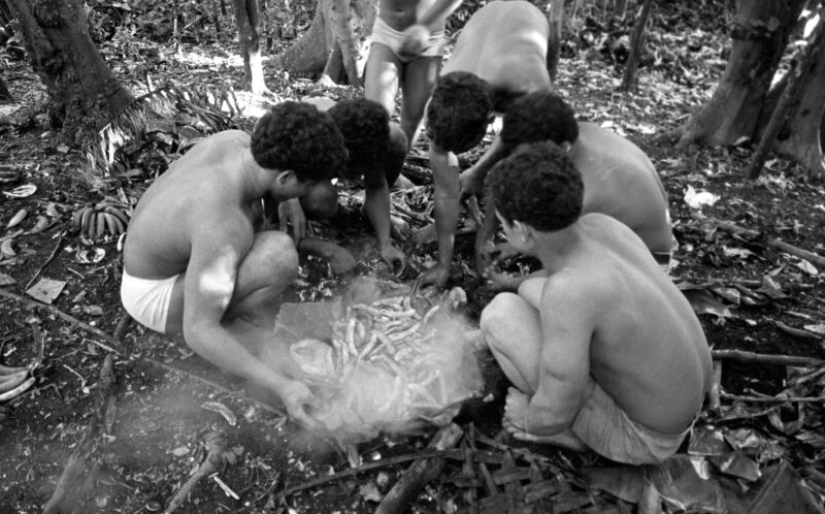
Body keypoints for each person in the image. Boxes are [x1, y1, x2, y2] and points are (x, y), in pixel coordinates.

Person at [478, 141, 712, 464]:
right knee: (530, 289)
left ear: (521, 230)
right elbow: (554, 280)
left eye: (503, 225)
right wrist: (521, 285)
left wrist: (530, 420)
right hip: (687, 397)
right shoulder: (603, 226)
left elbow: (558, 402)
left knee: (500, 316)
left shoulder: (569, 293)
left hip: (647, 439)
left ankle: (572, 437)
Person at [121, 101, 349, 428]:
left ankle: (223, 309)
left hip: (153, 257)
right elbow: (198, 330)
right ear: (286, 176)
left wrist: (289, 199)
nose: (308, 193)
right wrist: (282, 386)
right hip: (152, 295)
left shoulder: (234, 140)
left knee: (268, 237)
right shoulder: (226, 224)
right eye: (307, 185)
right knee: (278, 255)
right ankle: (232, 331)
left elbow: (267, 190)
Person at [418, 0, 557, 287]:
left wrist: (485, 235)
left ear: (488, 122)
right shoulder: (441, 101)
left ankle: (490, 232)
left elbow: (515, 156)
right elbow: (445, 191)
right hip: (487, 25)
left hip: (532, 23)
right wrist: (444, 264)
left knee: (530, 146)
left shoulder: (531, 85)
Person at [479, 91, 675, 285]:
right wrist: (485, 238)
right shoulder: (571, 134)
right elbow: (508, 172)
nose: (521, 161)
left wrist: (510, 282)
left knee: (537, 290)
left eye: (527, 156)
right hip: (616, 235)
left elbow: (567, 262)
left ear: (563, 147)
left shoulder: (586, 193)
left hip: (647, 265)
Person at [282, 97, 411, 273]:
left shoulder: (367, 140)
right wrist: (289, 199)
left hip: (338, 149)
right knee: (320, 199)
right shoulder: (303, 138)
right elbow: (265, 224)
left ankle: (369, 211)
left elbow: (376, 186)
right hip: (300, 161)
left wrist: (385, 244)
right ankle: (316, 212)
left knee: (396, 137)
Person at [364, 0, 464, 155]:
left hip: (428, 38)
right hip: (386, 31)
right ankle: (373, 165)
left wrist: (422, 26)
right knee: (376, 112)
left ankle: (395, 166)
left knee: (412, 121)